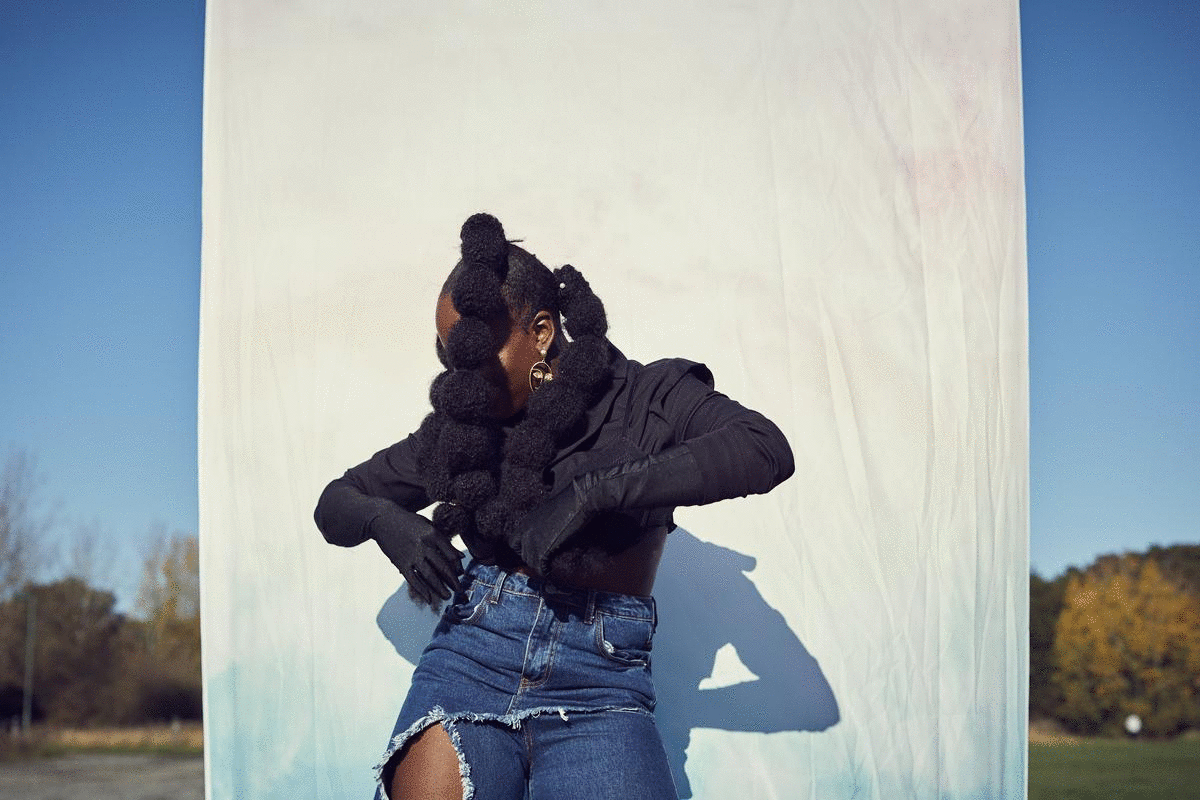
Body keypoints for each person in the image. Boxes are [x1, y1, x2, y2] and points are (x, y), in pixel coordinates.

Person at [314, 213, 794, 800]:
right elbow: (336, 500)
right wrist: (384, 521)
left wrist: (595, 492)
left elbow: (764, 448)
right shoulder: (463, 431)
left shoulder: (648, 398)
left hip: (602, 684)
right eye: (447, 356)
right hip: (473, 655)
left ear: (540, 331)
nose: (458, 374)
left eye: (473, 351)